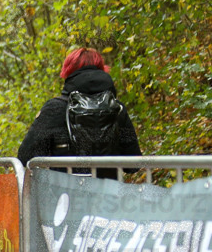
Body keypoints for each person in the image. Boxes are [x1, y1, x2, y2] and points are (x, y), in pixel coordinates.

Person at [17, 47, 141, 178]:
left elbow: (25, 155)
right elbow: (133, 165)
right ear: (101, 69)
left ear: (68, 72)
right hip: (107, 196)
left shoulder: (55, 108)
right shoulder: (117, 109)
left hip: (64, 195)